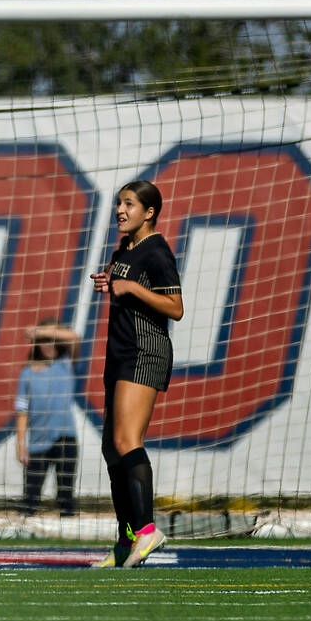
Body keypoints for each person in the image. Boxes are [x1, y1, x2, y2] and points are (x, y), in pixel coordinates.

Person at [89, 180, 183, 568]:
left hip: (146, 352)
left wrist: (129, 287)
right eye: (118, 203)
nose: (120, 210)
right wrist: (110, 283)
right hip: (120, 352)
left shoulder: (157, 251)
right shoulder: (123, 250)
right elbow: (123, 287)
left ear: (150, 212)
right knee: (111, 448)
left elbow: (175, 307)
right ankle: (127, 539)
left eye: (129, 204)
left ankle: (146, 529)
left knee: (128, 440)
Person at [14, 320, 81, 517]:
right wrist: (20, 444)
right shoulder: (26, 374)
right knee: (30, 498)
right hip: (37, 443)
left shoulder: (65, 364)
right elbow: (22, 411)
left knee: (65, 496)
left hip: (65, 440)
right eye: (44, 341)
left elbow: (74, 338)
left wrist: (40, 330)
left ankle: (69, 538)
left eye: (53, 340)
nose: (49, 346)